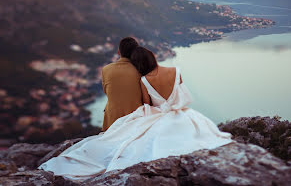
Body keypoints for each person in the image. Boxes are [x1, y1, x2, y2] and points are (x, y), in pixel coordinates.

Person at [39, 45, 232, 180]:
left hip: (159, 115)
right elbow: (182, 93)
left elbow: (147, 103)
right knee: (206, 138)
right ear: (154, 57)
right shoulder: (176, 70)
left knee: (131, 143)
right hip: (184, 114)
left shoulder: (145, 81)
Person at [102, 37, 142, 131]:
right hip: (135, 120)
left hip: (112, 121)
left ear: (118, 52)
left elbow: (107, 92)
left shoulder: (106, 69)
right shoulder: (140, 69)